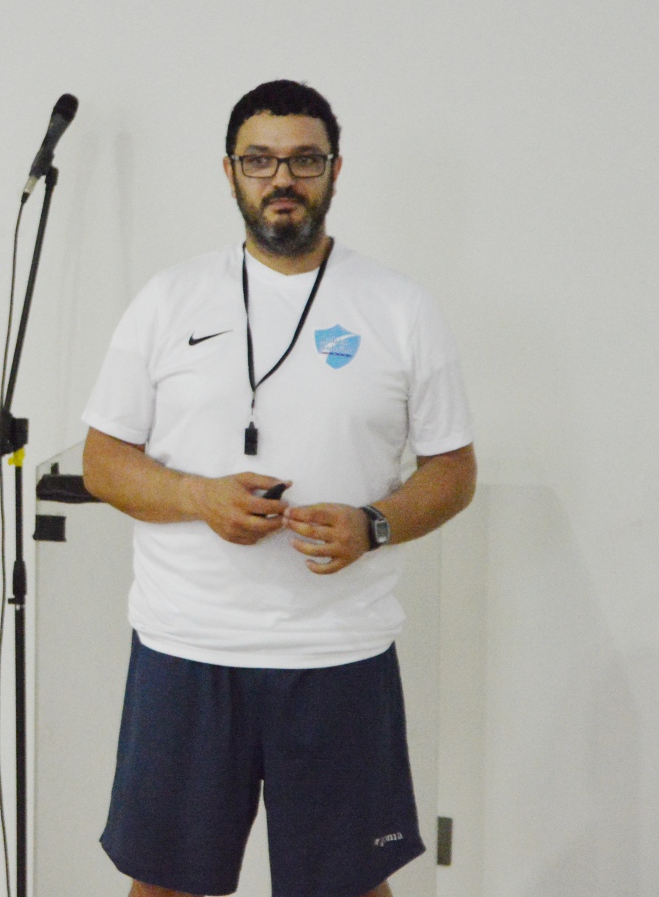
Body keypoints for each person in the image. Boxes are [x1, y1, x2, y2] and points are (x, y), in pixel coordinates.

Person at [81, 80, 476, 897]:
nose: (283, 178)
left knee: (348, 887)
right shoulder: (168, 299)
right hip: (187, 650)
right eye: (260, 160)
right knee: (164, 886)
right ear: (229, 171)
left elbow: (453, 471)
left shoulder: (400, 308)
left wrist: (373, 523)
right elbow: (102, 461)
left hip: (338, 655)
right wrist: (199, 497)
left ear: (336, 170)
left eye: (304, 160)